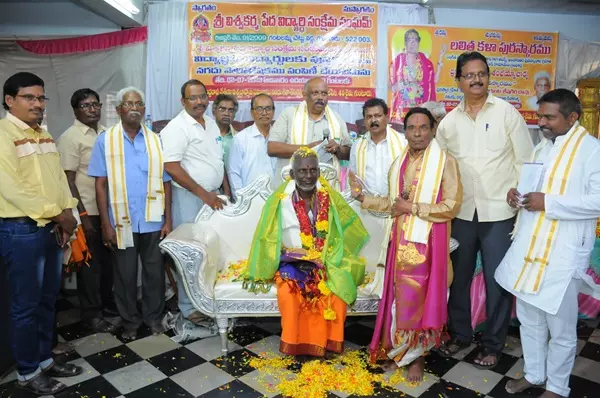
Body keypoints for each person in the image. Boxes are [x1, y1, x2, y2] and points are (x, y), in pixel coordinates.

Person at [495, 89, 600, 398]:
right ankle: (534, 373)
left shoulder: (592, 150)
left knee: (561, 329)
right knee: (529, 319)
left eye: (549, 117)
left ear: (572, 117)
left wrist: (549, 202)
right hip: (530, 248)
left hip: (562, 253)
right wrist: (516, 196)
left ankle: (557, 386)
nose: (541, 122)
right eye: (540, 115)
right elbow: (533, 190)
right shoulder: (542, 147)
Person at [436, 51, 534, 369]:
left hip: (499, 213)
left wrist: (518, 190)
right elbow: (440, 170)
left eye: (482, 73)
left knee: (497, 281)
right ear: (458, 80)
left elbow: (526, 161)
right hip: (462, 214)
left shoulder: (507, 114)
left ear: (489, 77)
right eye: (469, 75)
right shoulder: (449, 124)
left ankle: (493, 343)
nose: (477, 79)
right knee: (459, 279)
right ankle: (461, 335)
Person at [351, 107, 462, 382]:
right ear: (405, 131)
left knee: (420, 304)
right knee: (399, 303)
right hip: (398, 241)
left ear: (433, 129)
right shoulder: (399, 162)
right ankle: (400, 353)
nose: (417, 133)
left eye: (423, 127)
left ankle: (417, 359)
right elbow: (393, 204)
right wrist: (363, 198)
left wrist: (412, 207)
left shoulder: (445, 162)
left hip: (427, 247)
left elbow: (451, 206)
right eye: (411, 127)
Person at [242, 147, 369, 356]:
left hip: (326, 258)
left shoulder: (330, 198)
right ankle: (296, 344)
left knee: (335, 288)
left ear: (319, 172)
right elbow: (269, 241)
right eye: (302, 171)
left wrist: (325, 258)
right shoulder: (279, 201)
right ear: (292, 174)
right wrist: (292, 256)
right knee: (290, 292)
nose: (308, 176)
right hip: (291, 261)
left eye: (312, 170)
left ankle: (329, 342)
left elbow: (340, 235)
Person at [0, 72, 82, 395]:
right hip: (21, 230)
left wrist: (68, 214)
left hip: (51, 228)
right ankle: (27, 371)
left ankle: (46, 359)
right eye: (29, 97)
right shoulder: (4, 135)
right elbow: (12, 189)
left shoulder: (43, 135)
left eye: (41, 98)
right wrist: (59, 214)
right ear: (10, 100)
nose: (37, 104)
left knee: (49, 299)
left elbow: (60, 181)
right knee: (25, 305)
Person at [89, 86, 172, 341]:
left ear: (144, 110)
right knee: (124, 275)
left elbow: (166, 181)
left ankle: (154, 318)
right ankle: (130, 321)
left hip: (152, 220)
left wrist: (168, 220)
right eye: (129, 104)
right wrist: (106, 223)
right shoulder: (106, 139)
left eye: (139, 104)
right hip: (121, 222)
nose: (134, 108)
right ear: (119, 110)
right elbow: (100, 184)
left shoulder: (156, 140)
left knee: (154, 273)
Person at [161, 79, 232, 324]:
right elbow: (171, 167)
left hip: (213, 198)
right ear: (183, 101)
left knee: (210, 252)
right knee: (190, 252)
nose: (200, 101)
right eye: (193, 97)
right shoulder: (176, 127)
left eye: (203, 96)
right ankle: (188, 306)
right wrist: (205, 194)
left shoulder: (210, 123)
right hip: (190, 198)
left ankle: (205, 300)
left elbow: (216, 161)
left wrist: (222, 192)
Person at [57, 88, 117, 333]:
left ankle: (105, 306)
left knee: (107, 264)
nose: (92, 109)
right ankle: (90, 314)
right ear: (76, 110)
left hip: (108, 210)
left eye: (95, 104)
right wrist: (82, 216)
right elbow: (68, 180)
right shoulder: (71, 137)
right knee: (90, 267)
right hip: (87, 211)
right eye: (86, 105)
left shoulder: (105, 133)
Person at [268, 77, 352, 187]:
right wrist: (307, 148)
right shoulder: (289, 114)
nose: (320, 97)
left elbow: (348, 152)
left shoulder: (336, 119)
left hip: (326, 188)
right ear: (304, 95)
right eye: (315, 93)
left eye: (324, 93)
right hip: (291, 187)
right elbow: (272, 148)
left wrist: (337, 149)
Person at [349, 98, 407, 196]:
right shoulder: (357, 146)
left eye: (378, 116)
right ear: (364, 121)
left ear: (387, 118)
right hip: (365, 206)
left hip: (395, 205)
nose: (373, 120)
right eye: (369, 117)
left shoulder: (403, 142)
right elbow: (352, 177)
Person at [389, 29, 446, 123]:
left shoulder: (426, 63)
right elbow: (391, 88)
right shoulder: (397, 62)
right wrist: (403, 83)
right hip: (402, 110)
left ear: (418, 42)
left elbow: (434, 81)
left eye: (415, 39)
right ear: (405, 42)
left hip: (421, 109)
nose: (412, 42)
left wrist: (440, 57)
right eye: (409, 39)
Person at [227, 93, 277, 196]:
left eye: (268, 108)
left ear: (273, 112)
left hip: (276, 197)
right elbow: (233, 173)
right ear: (252, 112)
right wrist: (241, 199)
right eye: (259, 109)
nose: (264, 113)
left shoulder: (280, 138)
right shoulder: (240, 139)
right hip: (250, 200)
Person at [213, 94, 238, 164]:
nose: (226, 113)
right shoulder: (204, 134)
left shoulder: (239, 138)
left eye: (231, 110)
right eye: (222, 109)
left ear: (234, 115)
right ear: (214, 111)